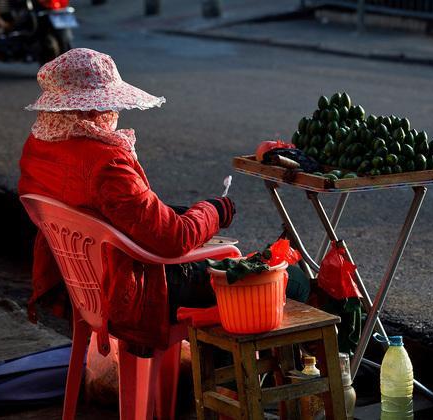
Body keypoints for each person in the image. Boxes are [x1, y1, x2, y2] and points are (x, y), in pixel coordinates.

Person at [18, 48, 309, 353]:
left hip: (84, 285)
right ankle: (251, 385)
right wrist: (214, 211)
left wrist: (188, 214)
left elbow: (125, 212)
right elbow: (173, 239)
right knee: (293, 279)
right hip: (137, 290)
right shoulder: (105, 162)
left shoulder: (39, 148)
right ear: (93, 108)